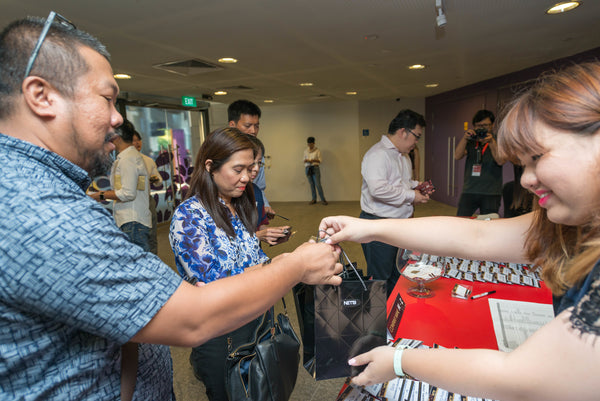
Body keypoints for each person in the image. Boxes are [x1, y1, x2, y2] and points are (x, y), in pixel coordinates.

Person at [0, 13, 342, 400]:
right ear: (41, 96)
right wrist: (296, 264)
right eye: (108, 98)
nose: (118, 119)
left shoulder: (36, 187)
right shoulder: (41, 209)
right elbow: (194, 317)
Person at [319, 62, 600, 400]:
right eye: (523, 164)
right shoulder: (567, 225)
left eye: (537, 158)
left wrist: (399, 360)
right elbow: (476, 236)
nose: (526, 179)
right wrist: (368, 228)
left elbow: (521, 377)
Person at [170, 127, 275, 400]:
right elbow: (215, 283)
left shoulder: (236, 205)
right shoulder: (190, 216)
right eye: (238, 169)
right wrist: (274, 268)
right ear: (210, 167)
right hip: (221, 334)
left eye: (251, 168)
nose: (246, 177)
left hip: (255, 322)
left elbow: (256, 257)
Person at [359, 109, 430, 295]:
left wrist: (417, 185)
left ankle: (394, 317)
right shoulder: (377, 155)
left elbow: (401, 183)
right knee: (380, 279)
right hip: (378, 224)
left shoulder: (402, 155)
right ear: (403, 132)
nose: (416, 142)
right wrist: (412, 196)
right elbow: (378, 190)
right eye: (416, 137)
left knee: (398, 273)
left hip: (399, 224)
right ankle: (379, 322)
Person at [90, 119, 151, 252]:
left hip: (132, 220)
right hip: (132, 219)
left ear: (116, 137)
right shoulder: (127, 157)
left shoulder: (128, 159)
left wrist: (99, 195)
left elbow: (128, 193)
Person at [228, 99, 276, 217]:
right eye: (248, 126)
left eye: (256, 126)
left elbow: (258, 187)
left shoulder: (258, 152)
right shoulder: (222, 151)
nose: (253, 131)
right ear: (232, 125)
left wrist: (264, 205)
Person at [455, 109, 505, 217]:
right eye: (478, 125)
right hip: (470, 189)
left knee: (488, 223)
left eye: (485, 125)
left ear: (492, 125)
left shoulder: (499, 140)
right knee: (461, 220)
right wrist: (464, 138)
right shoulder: (472, 140)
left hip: (491, 192)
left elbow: (500, 161)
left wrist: (491, 142)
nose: (482, 128)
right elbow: (457, 156)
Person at [246, 134, 292, 245]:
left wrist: (271, 234)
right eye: (252, 162)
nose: (256, 169)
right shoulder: (225, 199)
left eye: (259, 163)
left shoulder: (257, 192)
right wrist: (257, 236)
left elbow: (261, 224)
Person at [132, 130, 163, 254]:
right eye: (133, 140)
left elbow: (159, 180)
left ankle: (154, 259)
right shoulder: (124, 161)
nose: (137, 143)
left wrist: (155, 179)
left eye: (138, 140)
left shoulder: (148, 160)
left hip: (146, 199)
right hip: (132, 201)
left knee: (152, 235)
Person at [304, 136, 328, 205]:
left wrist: (312, 160)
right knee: (311, 184)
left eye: (311, 144)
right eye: (308, 144)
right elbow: (303, 159)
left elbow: (320, 160)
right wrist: (306, 161)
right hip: (308, 168)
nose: (309, 145)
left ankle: (323, 199)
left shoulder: (317, 150)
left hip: (315, 168)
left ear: (314, 143)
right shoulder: (305, 151)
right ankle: (314, 199)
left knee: (318, 184)